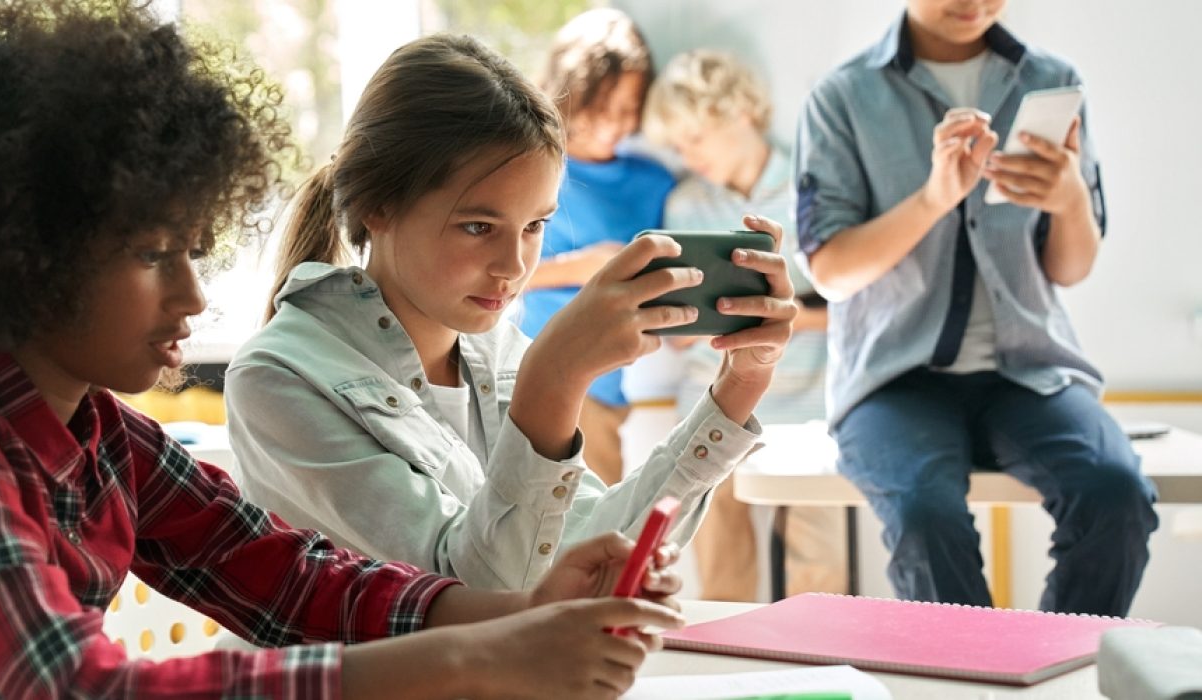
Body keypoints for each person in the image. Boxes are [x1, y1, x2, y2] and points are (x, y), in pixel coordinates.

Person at [0, 2, 690, 697]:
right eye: (154, 256)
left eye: (192, 250)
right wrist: (474, 660)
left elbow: (293, 580)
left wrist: (520, 615)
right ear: (26, 257)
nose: (192, 295)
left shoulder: (106, 438)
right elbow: (78, 687)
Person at [223, 34, 797, 591]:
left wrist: (739, 385)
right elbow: (481, 598)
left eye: (535, 226)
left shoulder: (495, 351)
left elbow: (591, 552)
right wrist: (555, 378)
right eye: (478, 226)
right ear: (378, 205)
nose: (513, 266)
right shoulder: (278, 380)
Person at [794, 0, 1157, 615]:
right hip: (893, 380)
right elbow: (830, 271)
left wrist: (1069, 200)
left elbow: (1070, 268)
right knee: (924, 517)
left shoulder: (1052, 81)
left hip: (1030, 369)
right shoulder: (842, 97)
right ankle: (972, 679)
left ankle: (1050, 669)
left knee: (1117, 494)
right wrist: (935, 198)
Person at [642, 49, 845, 602]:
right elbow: (679, 323)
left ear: (743, 115)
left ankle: (816, 670)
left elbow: (854, 304)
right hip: (710, 401)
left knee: (819, 563)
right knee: (717, 555)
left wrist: (784, 318)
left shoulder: (815, 190)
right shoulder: (686, 204)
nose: (689, 155)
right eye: (679, 144)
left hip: (807, 407)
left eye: (697, 138)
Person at [518, 8, 675, 485]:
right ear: (570, 91)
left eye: (629, 109)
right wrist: (584, 267)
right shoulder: (534, 168)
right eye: (602, 107)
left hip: (617, 380)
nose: (615, 123)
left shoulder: (654, 182)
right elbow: (500, 273)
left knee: (597, 523)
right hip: (542, 369)